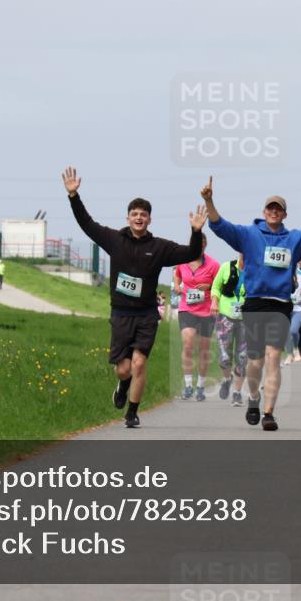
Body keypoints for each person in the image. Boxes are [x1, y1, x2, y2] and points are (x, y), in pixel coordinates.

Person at [201, 176, 301, 431]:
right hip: (253, 304)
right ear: (264, 212)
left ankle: (269, 413)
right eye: (270, 208)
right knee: (255, 361)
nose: (274, 211)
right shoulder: (249, 234)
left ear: (284, 214)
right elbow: (219, 226)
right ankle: (253, 398)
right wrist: (208, 200)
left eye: (278, 208)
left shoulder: (294, 239)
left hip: (280, 305)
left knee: (273, 358)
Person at [63, 166, 206, 428]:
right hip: (120, 314)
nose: (139, 218)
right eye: (134, 214)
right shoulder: (114, 239)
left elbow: (190, 253)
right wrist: (74, 196)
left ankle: (132, 412)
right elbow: (86, 223)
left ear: (150, 219)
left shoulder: (160, 247)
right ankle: (122, 384)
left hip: (146, 315)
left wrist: (196, 232)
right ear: (128, 218)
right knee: (124, 368)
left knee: (139, 363)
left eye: (144, 215)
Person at [174, 234, 219, 401]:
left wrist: (209, 286)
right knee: (188, 343)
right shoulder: (183, 260)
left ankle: (200, 385)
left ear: (205, 245)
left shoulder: (214, 265)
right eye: (196, 243)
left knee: (204, 349)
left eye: (202, 243)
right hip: (187, 308)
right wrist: (177, 285)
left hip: (207, 310)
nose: (199, 246)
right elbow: (177, 273)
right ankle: (188, 385)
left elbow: (219, 285)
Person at [210, 254, 246, 406]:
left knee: (243, 356)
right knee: (225, 356)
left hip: (247, 318)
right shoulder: (226, 267)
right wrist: (214, 302)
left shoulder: (256, 270)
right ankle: (226, 379)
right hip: (225, 315)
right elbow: (216, 287)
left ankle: (237, 393)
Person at [283, 270, 301, 366]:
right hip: (284, 307)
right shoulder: (282, 276)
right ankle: (289, 354)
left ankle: (295, 349)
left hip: (297, 308)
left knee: (294, 331)